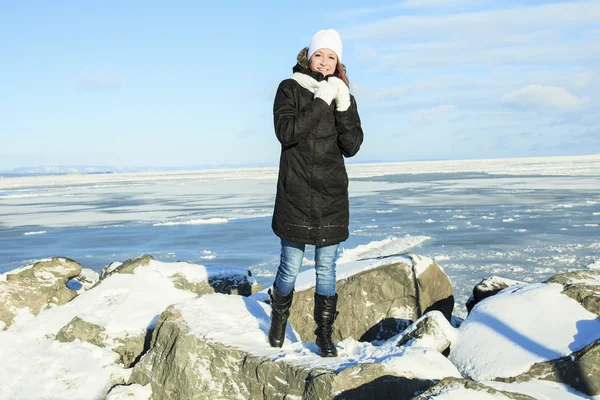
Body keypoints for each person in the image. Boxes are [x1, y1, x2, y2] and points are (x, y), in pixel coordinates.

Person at [268, 29, 364, 357]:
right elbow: (287, 133)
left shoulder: (342, 95)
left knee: (327, 269)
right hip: (295, 193)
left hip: (330, 196)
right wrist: (321, 100)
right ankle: (278, 320)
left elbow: (351, 146)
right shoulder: (289, 89)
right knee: (290, 267)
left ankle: (324, 335)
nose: (324, 62)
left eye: (331, 57)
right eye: (319, 55)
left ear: (338, 63)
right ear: (308, 56)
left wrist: (343, 104)